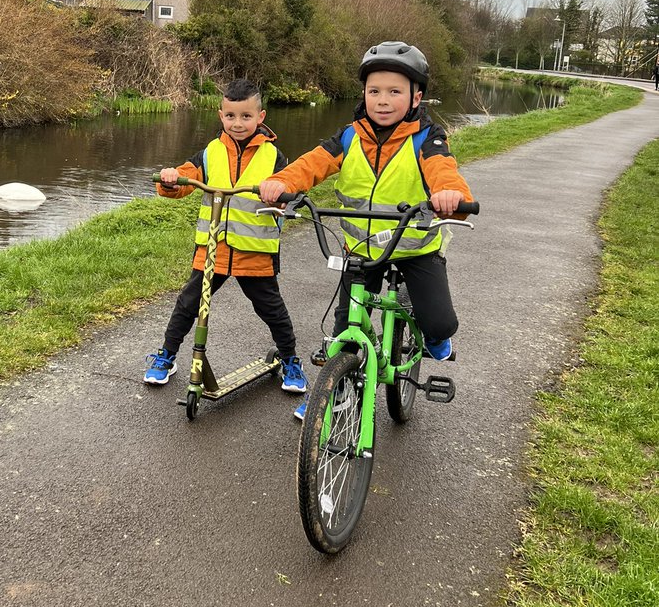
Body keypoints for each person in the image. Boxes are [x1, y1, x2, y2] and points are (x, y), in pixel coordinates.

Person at [258, 42, 474, 420]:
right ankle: (335, 389)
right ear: (364, 94)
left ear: (416, 96)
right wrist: (280, 182)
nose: (383, 100)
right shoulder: (349, 136)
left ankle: (434, 337)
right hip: (360, 249)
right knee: (345, 324)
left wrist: (449, 194)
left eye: (395, 91)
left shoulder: (427, 137)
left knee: (439, 322)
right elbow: (311, 164)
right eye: (374, 91)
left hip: (415, 248)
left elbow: (443, 169)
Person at [144, 78, 309, 396]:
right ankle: (166, 356)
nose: (238, 123)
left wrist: (282, 197)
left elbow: (291, 188)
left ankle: (290, 360)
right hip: (212, 249)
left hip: (255, 252)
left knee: (271, 309)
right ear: (221, 115)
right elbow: (185, 177)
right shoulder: (211, 152)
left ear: (260, 117)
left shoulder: (273, 157)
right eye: (231, 116)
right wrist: (169, 179)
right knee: (188, 304)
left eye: (246, 116)